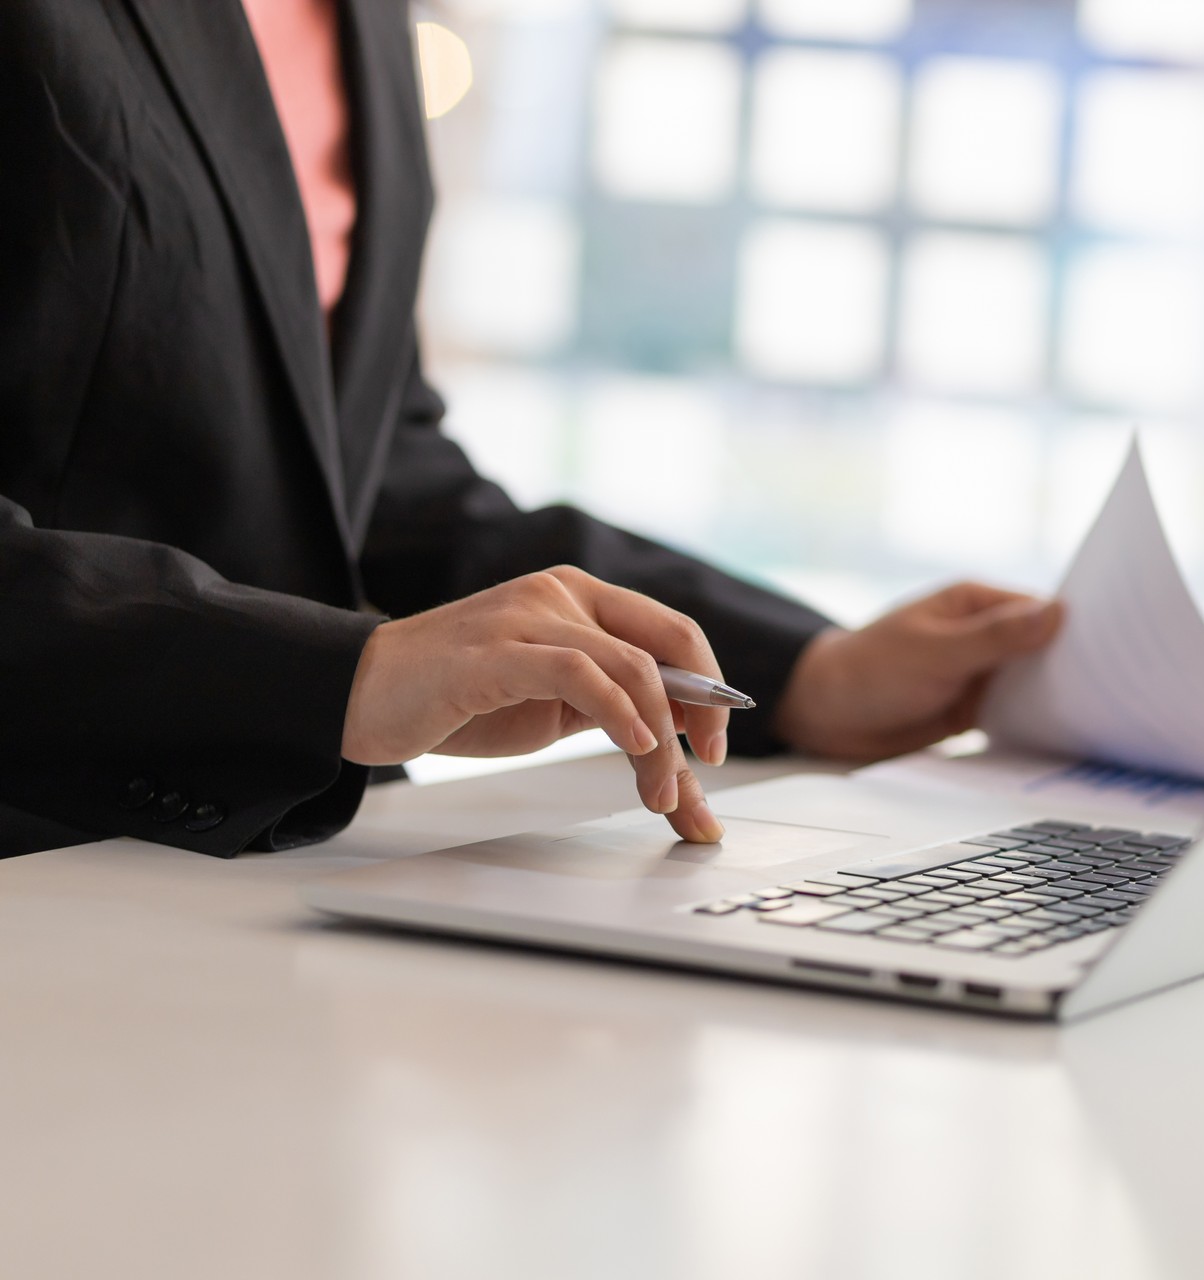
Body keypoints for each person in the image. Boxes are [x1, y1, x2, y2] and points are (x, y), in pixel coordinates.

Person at [0, 0, 1062, 859]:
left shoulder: (370, 23)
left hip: (259, 890)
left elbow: (378, 474)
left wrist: (804, 674)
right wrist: (339, 678)